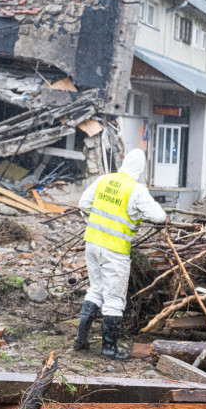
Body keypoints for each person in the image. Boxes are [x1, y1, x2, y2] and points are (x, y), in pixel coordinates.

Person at [74, 148, 167, 359]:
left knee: (95, 289)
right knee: (114, 298)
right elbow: (159, 216)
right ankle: (109, 348)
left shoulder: (104, 180)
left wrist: (100, 221)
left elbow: (83, 204)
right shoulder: (136, 190)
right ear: (141, 169)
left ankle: (81, 339)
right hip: (115, 250)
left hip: (92, 244)